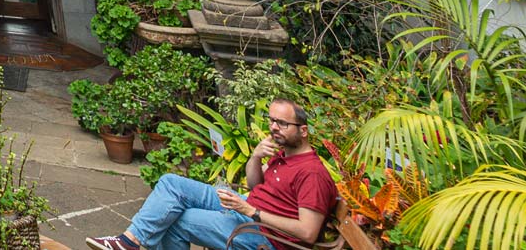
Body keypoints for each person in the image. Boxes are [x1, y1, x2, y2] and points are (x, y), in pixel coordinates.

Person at [85, 98, 337, 250]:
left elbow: (307, 232)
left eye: (282, 123)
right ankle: (129, 241)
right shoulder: (284, 155)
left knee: (179, 221)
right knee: (171, 183)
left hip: (263, 236)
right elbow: (254, 183)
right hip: (247, 209)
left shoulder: (312, 173)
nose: (273, 128)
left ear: (303, 131)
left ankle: (129, 243)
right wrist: (255, 157)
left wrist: (251, 211)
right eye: (271, 121)